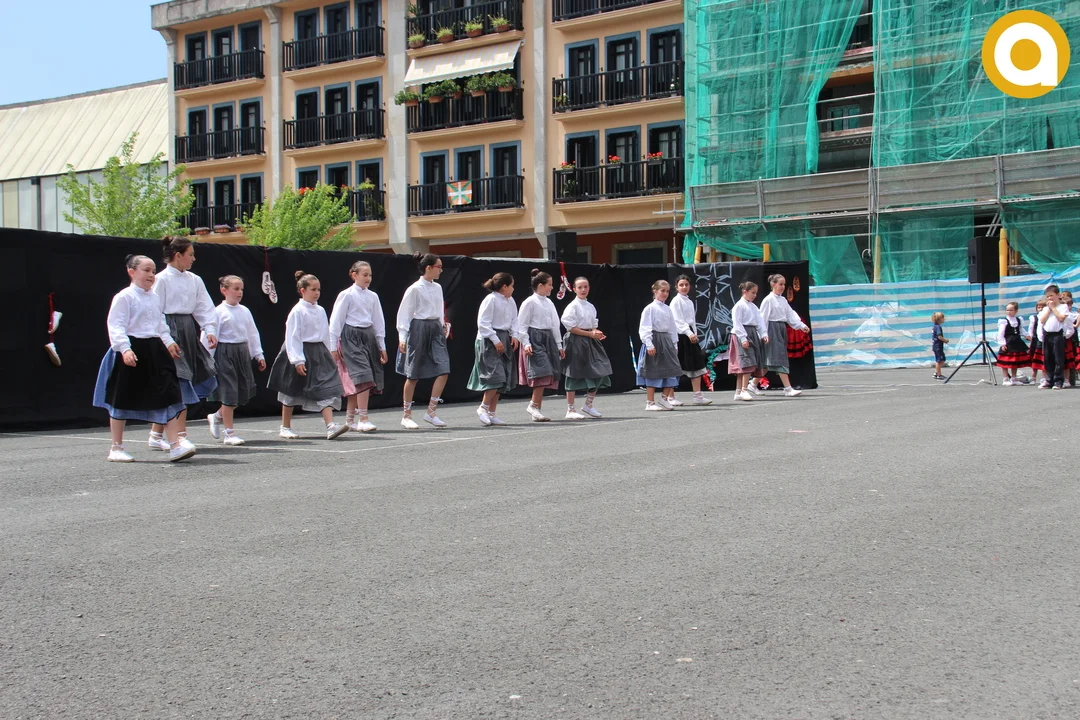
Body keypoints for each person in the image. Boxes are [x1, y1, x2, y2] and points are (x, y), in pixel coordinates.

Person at [92, 255, 192, 462]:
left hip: (155, 350)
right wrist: (125, 349)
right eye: (146, 270)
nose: (151, 275)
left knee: (169, 394)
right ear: (132, 272)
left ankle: (175, 444)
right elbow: (116, 326)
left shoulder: (155, 297)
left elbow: (160, 325)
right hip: (133, 350)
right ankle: (116, 448)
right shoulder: (124, 297)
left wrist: (168, 342)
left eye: (153, 271)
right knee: (121, 398)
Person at [149, 236, 218, 452]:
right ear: (178, 256)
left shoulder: (194, 280)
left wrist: (210, 329)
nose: (193, 259)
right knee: (180, 381)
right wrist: (167, 339)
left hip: (188, 330)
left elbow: (204, 306)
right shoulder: (161, 280)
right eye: (190, 254)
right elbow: (155, 311)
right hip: (168, 331)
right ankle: (180, 435)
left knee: (198, 377)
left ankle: (156, 435)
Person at [266, 272, 348, 439]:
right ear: (303, 290)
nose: (317, 293)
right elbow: (293, 336)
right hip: (300, 352)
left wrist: (330, 351)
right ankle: (285, 427)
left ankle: (330, 426)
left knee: (324, 387)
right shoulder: (297, 311)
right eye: (313, 289)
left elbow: (325, 333)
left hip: (318, 353)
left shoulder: (320, 310)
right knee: (291, 389)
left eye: (318, 290)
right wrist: (297, 360)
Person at [206, 276, 265, 446]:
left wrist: (258, 355)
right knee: (230, 392)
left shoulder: (245, 311)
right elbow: (209, 336)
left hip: (242, 353)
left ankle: (216, 416)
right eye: (236, 289)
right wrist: (207, 358)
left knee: (240, 392)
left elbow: (252, 334)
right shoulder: (218, 312)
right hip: (225, 354)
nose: (240, 292)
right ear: (224, 290)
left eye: (241, 289)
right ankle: (229, 433)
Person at [329, 260, 387, 433]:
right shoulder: (346, 295)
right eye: (364, 275)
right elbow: (336, 321)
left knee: (360, 378)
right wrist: (333, 347)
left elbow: (378, 321)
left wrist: (381, 346)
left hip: (368, 336)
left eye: (370, 275)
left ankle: (350, 420)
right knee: (363, 376)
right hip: (351, 337)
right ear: (354, 275)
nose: (368, 278)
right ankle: (363, 418)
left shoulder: (373, 296)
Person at [396, 253, 450, 429]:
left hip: (435, 329)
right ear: (429, 267)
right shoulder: (415, 289)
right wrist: (402, 337)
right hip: (418, 328)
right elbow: (404, 314)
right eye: (438, 267)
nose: (441, 270)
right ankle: (406, 415)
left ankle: (431, 412)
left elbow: (439, 310)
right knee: (413, 374)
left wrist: (442, 326)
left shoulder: (438, 287)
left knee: (444, 369)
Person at [467, 272, 520, 426]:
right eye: (511, 286)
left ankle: (492, 413)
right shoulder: (490, 299)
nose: (513, 289)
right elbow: (483, 323)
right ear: (504, 287)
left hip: (504, 338)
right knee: (496, 376)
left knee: (503, 378)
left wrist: (514, 335)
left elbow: (514, 320)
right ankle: (483, 407)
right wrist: (496, 340)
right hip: (489, 340)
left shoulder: (510, 301)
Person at [516, 270, 565, 422]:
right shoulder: (529, 302)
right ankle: (533, 406)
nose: (552, 287)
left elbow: (555, 324)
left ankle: (536, 409)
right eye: (549, 284)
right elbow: (522, 325)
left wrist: (559, 345)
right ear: (540, 285)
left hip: (548, 338)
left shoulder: (549, 302)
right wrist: (526, 343)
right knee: (542, 372)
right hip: (534, 338)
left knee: (548, 373)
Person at [561, 277, 612, 420]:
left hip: (590, 340)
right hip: (576, 340)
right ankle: (570, 409)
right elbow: (570, 327)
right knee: (573, 373)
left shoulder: (590, 306)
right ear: (574, 289)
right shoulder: (572, 306)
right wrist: (589, 333)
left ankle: (588, 405)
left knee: (600, 369)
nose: (583, 290)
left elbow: (593, 325)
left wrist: (596, 332)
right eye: (580, 287)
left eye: (585, 286)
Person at [754, 273, 810, 397]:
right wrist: (763, 334)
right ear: (773, 284)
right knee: (779, 358)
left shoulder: (783, 300)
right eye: (780, 284)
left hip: (781, 329)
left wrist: (801, 325)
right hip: (772, 330)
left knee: (771, 360)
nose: (783, 287)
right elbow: (762, 318)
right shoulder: (768, 300)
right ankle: (788, 388)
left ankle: (752, 384)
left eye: (784, 284)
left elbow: (790, 314)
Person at [637, 280, 683, 411]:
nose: (665, 294)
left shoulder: (667, 309)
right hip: (655, 339)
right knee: (653, 370)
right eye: (662, 291)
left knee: (672, 369)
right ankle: (650, 402)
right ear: (655, 291)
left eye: (667, 291)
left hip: (666, 341)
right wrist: (649, 344)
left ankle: (664, 398)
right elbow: (644, 327)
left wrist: (674, 344)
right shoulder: (650, 308)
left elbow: (672, 328)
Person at [668, 274, 711, 406]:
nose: (684, 287)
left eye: (686, 285)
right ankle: (670, 396)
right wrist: (688, 333)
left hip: (690, 336)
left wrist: (694, 334)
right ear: (676, 287)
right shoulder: (676, 301)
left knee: (696, 364)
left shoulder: (689, 301)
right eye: (681, 285)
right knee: (677, 366)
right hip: (680, 337)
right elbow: (678, 321)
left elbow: (692, 321)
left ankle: (697, 396)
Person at [728, 281, 769, 401]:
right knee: (747, 362)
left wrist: (763, 333)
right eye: (752, 293)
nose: (754, 295)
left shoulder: (753, 307)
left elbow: (759, 321)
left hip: (752, 333)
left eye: (756, 293)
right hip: (742, 334)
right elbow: (737, 323)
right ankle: (744, 390)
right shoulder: (739, 306)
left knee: (747, 362)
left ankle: (738, 391)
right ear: (745, 292)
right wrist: (743, 338)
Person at [1038, 285, 1070, 389]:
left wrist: (1053, 308)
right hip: (1047, 335)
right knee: (1048, 358)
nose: (1049, 298)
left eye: (1051, 295)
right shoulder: (1045, 308)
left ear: (1058, 295)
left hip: (1058, 335)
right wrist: (1048, 309)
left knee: (1058, 358)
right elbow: (1042, 320)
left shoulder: (1063, 307)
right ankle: (1049, 380)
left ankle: (1058, 380)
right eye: (1047, 296)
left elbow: (1061, 318)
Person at [995, 301, 1030, 386]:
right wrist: (1002, 344)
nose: (1009, 312)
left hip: (1016, 343)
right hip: (1008, 342)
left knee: (1015, 362)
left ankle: (1014, 378)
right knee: (1005, 362)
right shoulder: (1004, 321)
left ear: (1016, 311)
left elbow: (1021, 330)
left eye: (1011, 310)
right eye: (1007, 310)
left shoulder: (1018, 320)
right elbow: (1000, 334)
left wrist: (1026, 335)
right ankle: (1005, 379)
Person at [1029, 300, 1046, 386]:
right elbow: (1031, 329)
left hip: (1045, 339)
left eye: (1042, 307)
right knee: (1035, 359)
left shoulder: (1047, 317)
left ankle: (1044, 377)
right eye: (1039, 307)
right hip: (1036, 340)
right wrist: (1031, 337)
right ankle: (1033, 377)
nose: (1040, 309)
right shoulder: (1034, 318)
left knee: (1044, 359)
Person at [931, 312, 949, 380]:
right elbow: (939, 337)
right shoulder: (938, 327)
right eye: (942, 318)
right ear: (939, 319)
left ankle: (937, 372)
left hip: (937, 346)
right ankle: (939, 375)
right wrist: (945, 340)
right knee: (939, 360)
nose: (944, 319)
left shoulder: (935, 327)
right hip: (937, 346)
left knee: (943, 359)